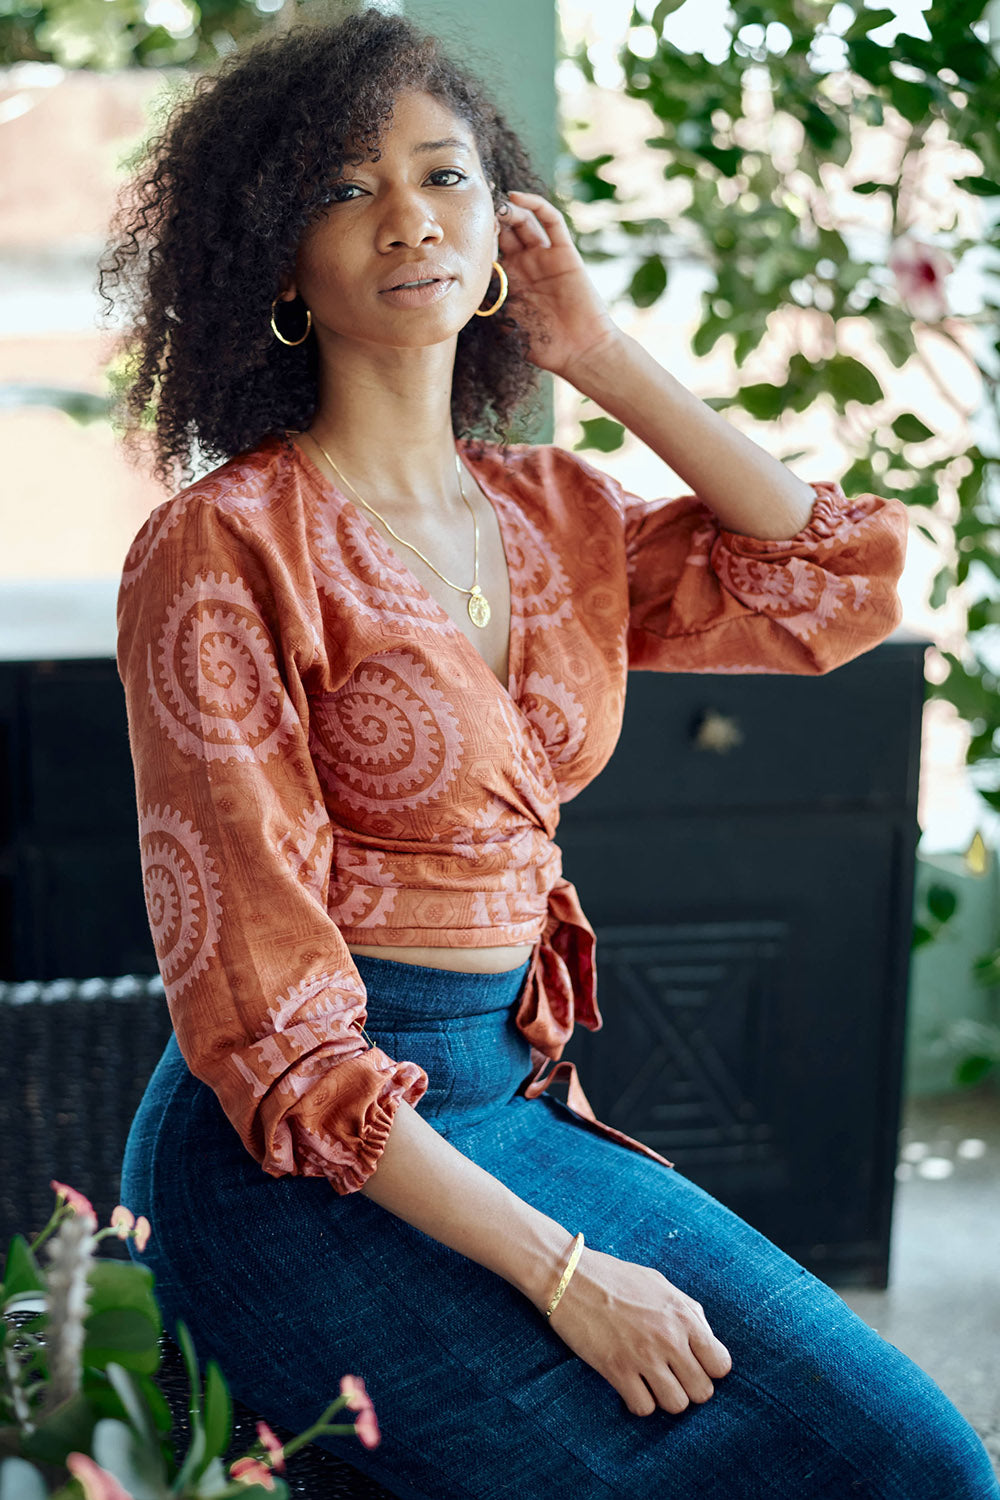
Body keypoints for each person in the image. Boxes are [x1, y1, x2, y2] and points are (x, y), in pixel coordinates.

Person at [105, 11, 999, 1499]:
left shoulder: (553, 513)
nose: (407, 218)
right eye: (343, 189)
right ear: (275, 260)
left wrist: (596, 351)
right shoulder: (223, 548)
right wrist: (569, 1276)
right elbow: (270, 1029)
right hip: (300, 1168)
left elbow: (838, 584)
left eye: (443, 175)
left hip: (504, 1107)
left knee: (917, 1459)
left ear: (504, 219)